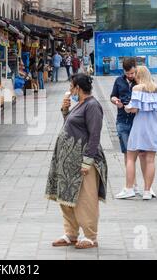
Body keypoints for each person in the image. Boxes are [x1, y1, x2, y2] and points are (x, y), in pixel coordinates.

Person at [46, 74, 108, 249]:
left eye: (71, 87)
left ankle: (90, 236)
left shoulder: (92, 106)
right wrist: (65, 111)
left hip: (84, 160)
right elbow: (71, 127)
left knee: (85, 198)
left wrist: (87, 161)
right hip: (68, 161)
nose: (70, 91)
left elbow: (94, 134)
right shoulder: (79, 105)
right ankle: (71, 233)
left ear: (78, 88)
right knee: (66, 197)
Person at [122, 66, 157, 201]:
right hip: (154, 125)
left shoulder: (137, 88)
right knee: (150, 160)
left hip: (140, 125)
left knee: (130, 156)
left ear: (139, 75)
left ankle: (129, 188)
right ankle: (147, 191)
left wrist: (126, 107)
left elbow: (134, 108)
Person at [111, 58, 144, 199]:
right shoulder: (119, 80)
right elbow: (113, 95)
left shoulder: (141, 81)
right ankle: (133, 185)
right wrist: (115, 101)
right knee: (127, 155)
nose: (130, 76)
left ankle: (144, 187)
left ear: (135, 69)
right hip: (122, 120)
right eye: (128, 73)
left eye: (132, 73)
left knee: (141, 153)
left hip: (138, 121)